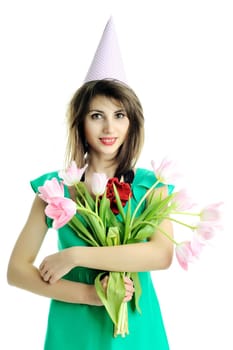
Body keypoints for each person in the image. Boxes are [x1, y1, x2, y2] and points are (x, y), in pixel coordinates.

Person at [7, 18, 174, 350]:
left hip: (137, 327)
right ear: (81, 123)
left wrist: (76, 255)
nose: (108, 127)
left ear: (132, 123)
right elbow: (16, 270)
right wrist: (89, 294)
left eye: (119, 115)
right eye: (97, 115)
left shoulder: (149, 186)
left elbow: (161, 254)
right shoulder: (54, 190)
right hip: (74, 328)